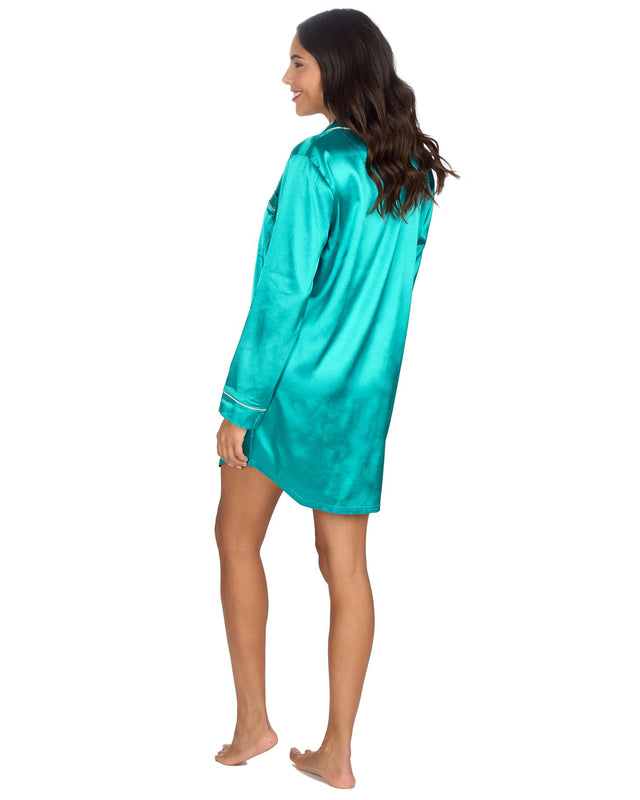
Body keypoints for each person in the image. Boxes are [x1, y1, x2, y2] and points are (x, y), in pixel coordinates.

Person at [213, 8, 458, 789]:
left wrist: (240, 405)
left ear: (339, 68)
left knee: (235, 538)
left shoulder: (317, 163)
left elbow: (282, 295)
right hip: (362, 400)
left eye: (299, 64)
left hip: (288, 393)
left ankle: (253, 724)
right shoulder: (413, 170)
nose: (285, 79)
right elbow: (391, 292)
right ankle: (338, 753)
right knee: (345, 569)